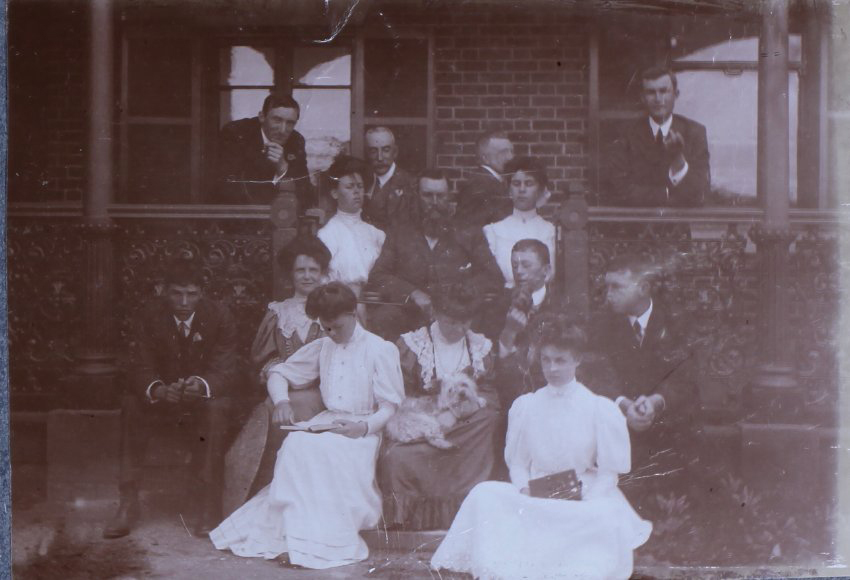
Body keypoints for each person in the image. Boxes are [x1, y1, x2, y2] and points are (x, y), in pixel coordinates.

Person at [431, 315, 652, 580]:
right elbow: (519, 463)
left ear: (577, 360)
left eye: (560, 360)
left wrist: (588, 498)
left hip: (580, 493)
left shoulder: (597, 408)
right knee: (485, 493)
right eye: (546, 360)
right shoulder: (527, 406)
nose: (552, 368)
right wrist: (524, 488)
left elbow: (608, 473)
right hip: (535, 493)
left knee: (603, 514)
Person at [210, 282, 404, 569]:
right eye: (325, 328)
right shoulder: (323, 346)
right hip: (326, 421)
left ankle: (317, 542)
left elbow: (390, 405)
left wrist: (362, 428)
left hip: (362, 430)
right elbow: (279, 372)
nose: (331, 333)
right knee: (297, 444)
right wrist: (282, 402)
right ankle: (293, 538)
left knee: (327, 451)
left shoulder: (380, 349)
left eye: (336, 327)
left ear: (353, 314)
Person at [103, 261, 239, 539]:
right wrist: (158, 390)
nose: (184, 302)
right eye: (177, 293)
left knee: (219, 407)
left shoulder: (219, 316)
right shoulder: (148, 315)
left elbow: (226, 368)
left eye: (191, 294)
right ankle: (129, 502)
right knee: (131, 404)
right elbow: (138, 365)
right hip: (163, 402)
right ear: (164, 292)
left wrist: (200, 385)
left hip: (200, 401)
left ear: (202, 293)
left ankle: (208, 504)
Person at [579, 253, 697, 515]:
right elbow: (596, 373)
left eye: (617, 287)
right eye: (607, 287)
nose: (609, 295)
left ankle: (672, 518)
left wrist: (654, 403)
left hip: (665, 414)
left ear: (643, 287)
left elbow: (684, 373)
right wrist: (623, 404)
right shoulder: (601, 323)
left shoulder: (675, 321)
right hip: (617, 413)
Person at [223, 236, 332, 514]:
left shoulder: (335, 310)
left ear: (323, 273)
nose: (307, 276)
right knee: (270, 417)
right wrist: (276, 372)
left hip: (328, 393)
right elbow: (263, 359)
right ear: (290, 275)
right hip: (282, 390)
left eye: (313, 270)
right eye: (300, 270)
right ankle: (263, 504)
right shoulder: (278, 312)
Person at [378, 284, 500, 530]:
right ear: (435, 313)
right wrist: (434, 413)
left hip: (465, 427)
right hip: (421, 421)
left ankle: (466, 514)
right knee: (397, 457)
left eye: (465, 322)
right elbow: (399, 394)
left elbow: (488, 394)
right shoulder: (412, 345)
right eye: (452, 321)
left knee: (489, 418)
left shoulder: (479, 347)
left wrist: (455, 414)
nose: (460, 328)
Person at [366, 169, 503, 341]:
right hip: (411, 316)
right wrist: (413, 293)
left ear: (449, 198)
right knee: (384, 317)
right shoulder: (400, 232)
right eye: (428, 196)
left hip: (457, 317)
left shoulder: (468, 232)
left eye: (440, 196)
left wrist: (460, 293)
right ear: (416, 197)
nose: (435, 202)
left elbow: (493, 276)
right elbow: (379, 276)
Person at [607, 66, 710, 207]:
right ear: (642, 98)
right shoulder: (625, 134)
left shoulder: (694, 132)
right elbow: (619, 190)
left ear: (676, 94)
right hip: (635, 225)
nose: (658, 99)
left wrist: (678, 159)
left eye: (663, 91)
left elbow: (700, 192)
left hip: (678, 227)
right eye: (651, 92)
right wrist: (667, 194)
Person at [217, 92, 311, 208]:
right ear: (262, 117)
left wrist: (283, 168)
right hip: (238, 216)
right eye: (277, 120)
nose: (283, 130)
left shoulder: (296, 141)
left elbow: (306, 195)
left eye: (290, 123)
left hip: (279, 218)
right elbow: (229, 187)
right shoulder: (236, 134)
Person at [317, 156, 386, 301]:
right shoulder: (327, 234)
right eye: (349, 187)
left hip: (376, 303)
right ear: (335, 193)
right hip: (340, 304)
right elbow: (322, 280)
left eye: (360, 186)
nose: (356, 192)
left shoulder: (377, 234)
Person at [483, 156, 556, 288]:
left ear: (539, 189)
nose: (522, 190)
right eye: (516, 184)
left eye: (529, 184)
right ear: (509, 189)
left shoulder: (550, 230)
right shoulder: (494, 231)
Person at [363, 126, 419, 229]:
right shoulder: (362, 182)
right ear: (367, 154)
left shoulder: (411, 184)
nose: (380, 158)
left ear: (395, 152)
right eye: (373, 151)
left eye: (386, 150)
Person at [457, 131, 515, 226]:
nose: (510, 157)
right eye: (503, 152)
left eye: (511, 151)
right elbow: (470, 228)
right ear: (485, 158)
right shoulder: (478, 185)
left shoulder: (499, 182)